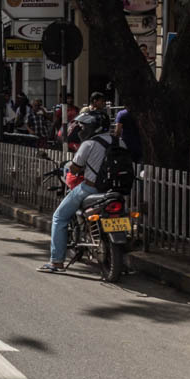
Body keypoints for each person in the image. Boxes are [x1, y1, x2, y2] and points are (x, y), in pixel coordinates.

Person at [39, 111, 125, 273]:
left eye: (85, 126)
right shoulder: (119, 141)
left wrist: (78, 167)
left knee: (59, 217)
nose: (81, 130)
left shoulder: (89, 144)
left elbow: (75, 167)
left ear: (94, 127)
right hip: (114, 190)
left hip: (90, 188)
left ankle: (56, 262)